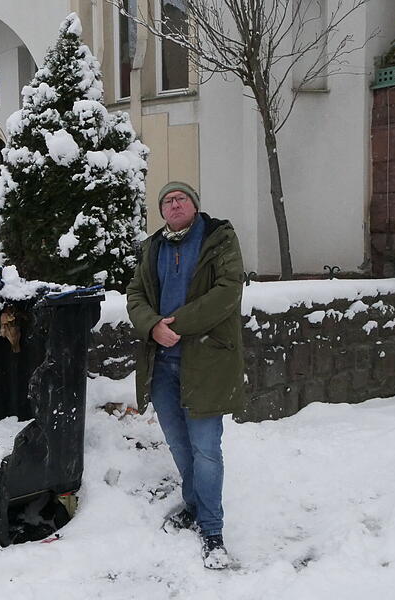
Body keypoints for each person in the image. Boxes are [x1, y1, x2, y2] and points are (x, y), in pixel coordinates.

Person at [126, 181, 245, 570]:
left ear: (194, 205)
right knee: (179, 445)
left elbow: (228, 291)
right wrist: (152, 326)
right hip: (162, 364)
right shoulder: (153, 247)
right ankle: (194, 505)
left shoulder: (218, 239)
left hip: (205, 361)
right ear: (162, 211)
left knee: (206, 449)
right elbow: (135, 295)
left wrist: (176, 324)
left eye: (181, 199)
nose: (174, 204)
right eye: (167, 201)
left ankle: (212, 530)